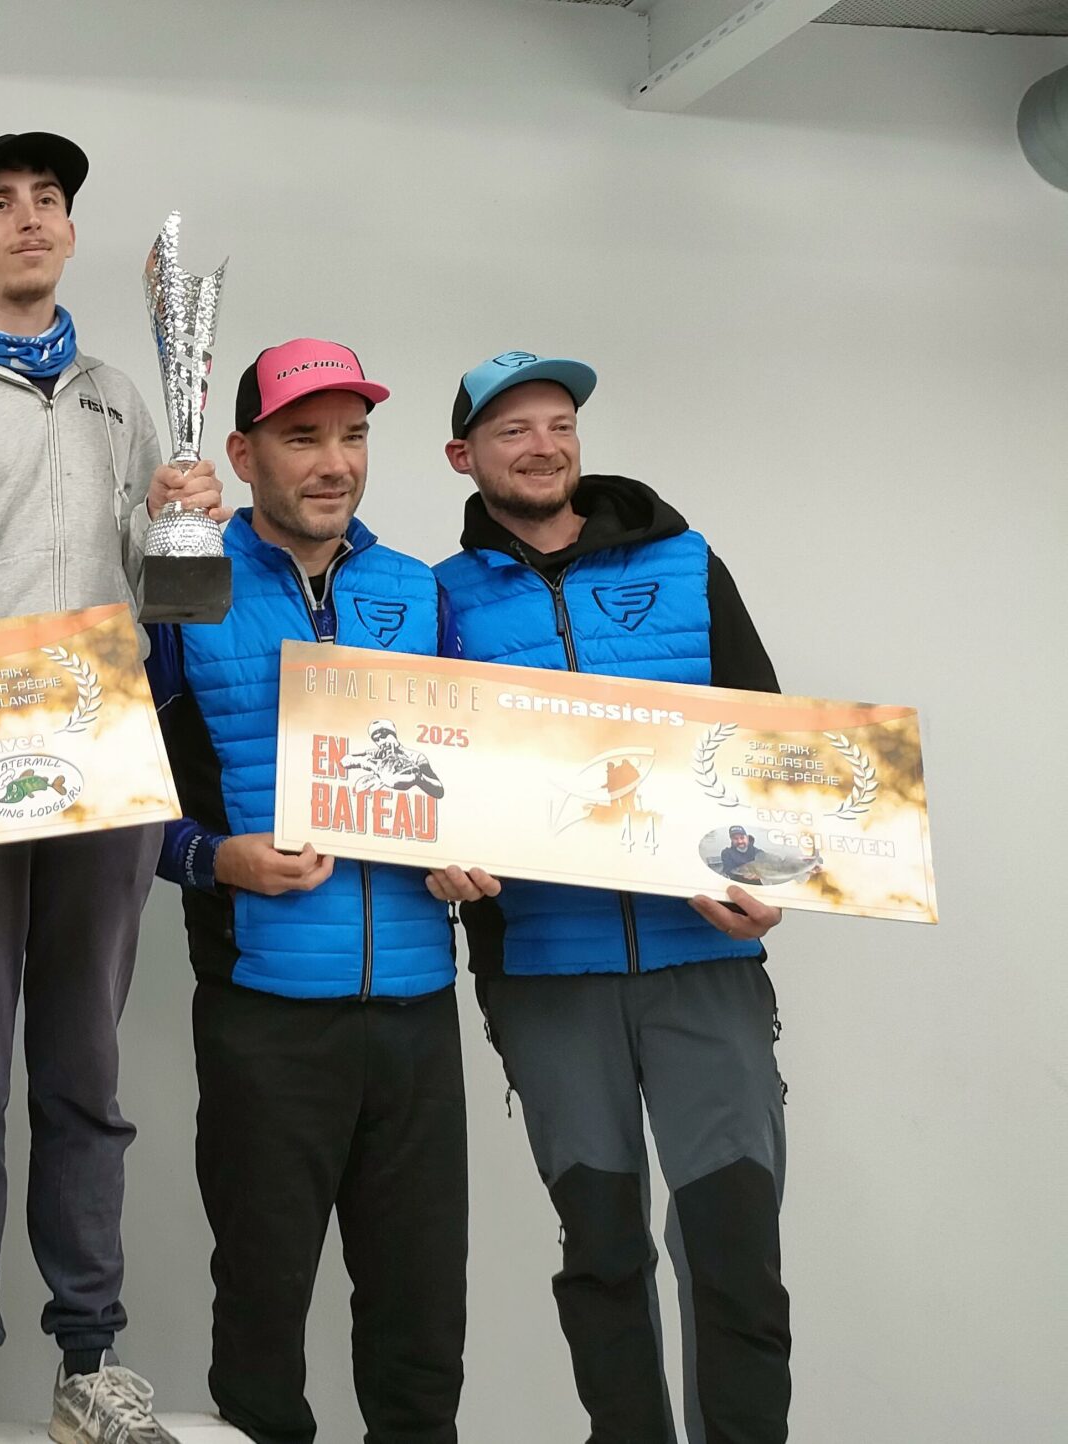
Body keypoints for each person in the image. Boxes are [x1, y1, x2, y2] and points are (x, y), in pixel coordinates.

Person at [0, 132, 215, 1444]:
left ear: (69, 231)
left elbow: (155, 592)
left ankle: (87, 1359)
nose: (28, 218)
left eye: (48, 200)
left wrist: (183, 516)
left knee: (85, 1077)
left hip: (102, 769)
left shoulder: (121, 397)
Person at [431, 351, 790, 1444]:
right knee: (601, 1253)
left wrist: (766, 882)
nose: (542, 446)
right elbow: (425, 771)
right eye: (513, 430)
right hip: (548, 972)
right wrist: (437, 857)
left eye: (559, 424)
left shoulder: (686, 562)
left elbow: (768, 744)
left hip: (703, 962)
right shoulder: (434, 597)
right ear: (463, 457)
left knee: (734, 1252)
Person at [147, 341, 468, 1444]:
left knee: (421, 1332)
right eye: (302, 438)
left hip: (419, 1014)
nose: (335, 462)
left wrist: (477, 854)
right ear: (242, 455)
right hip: (267, 1014)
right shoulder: (184, 590)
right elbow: (113, 789)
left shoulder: (418, 590)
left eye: (353, 435)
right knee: (261, 1322)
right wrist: (213, 859)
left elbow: (476, 777)